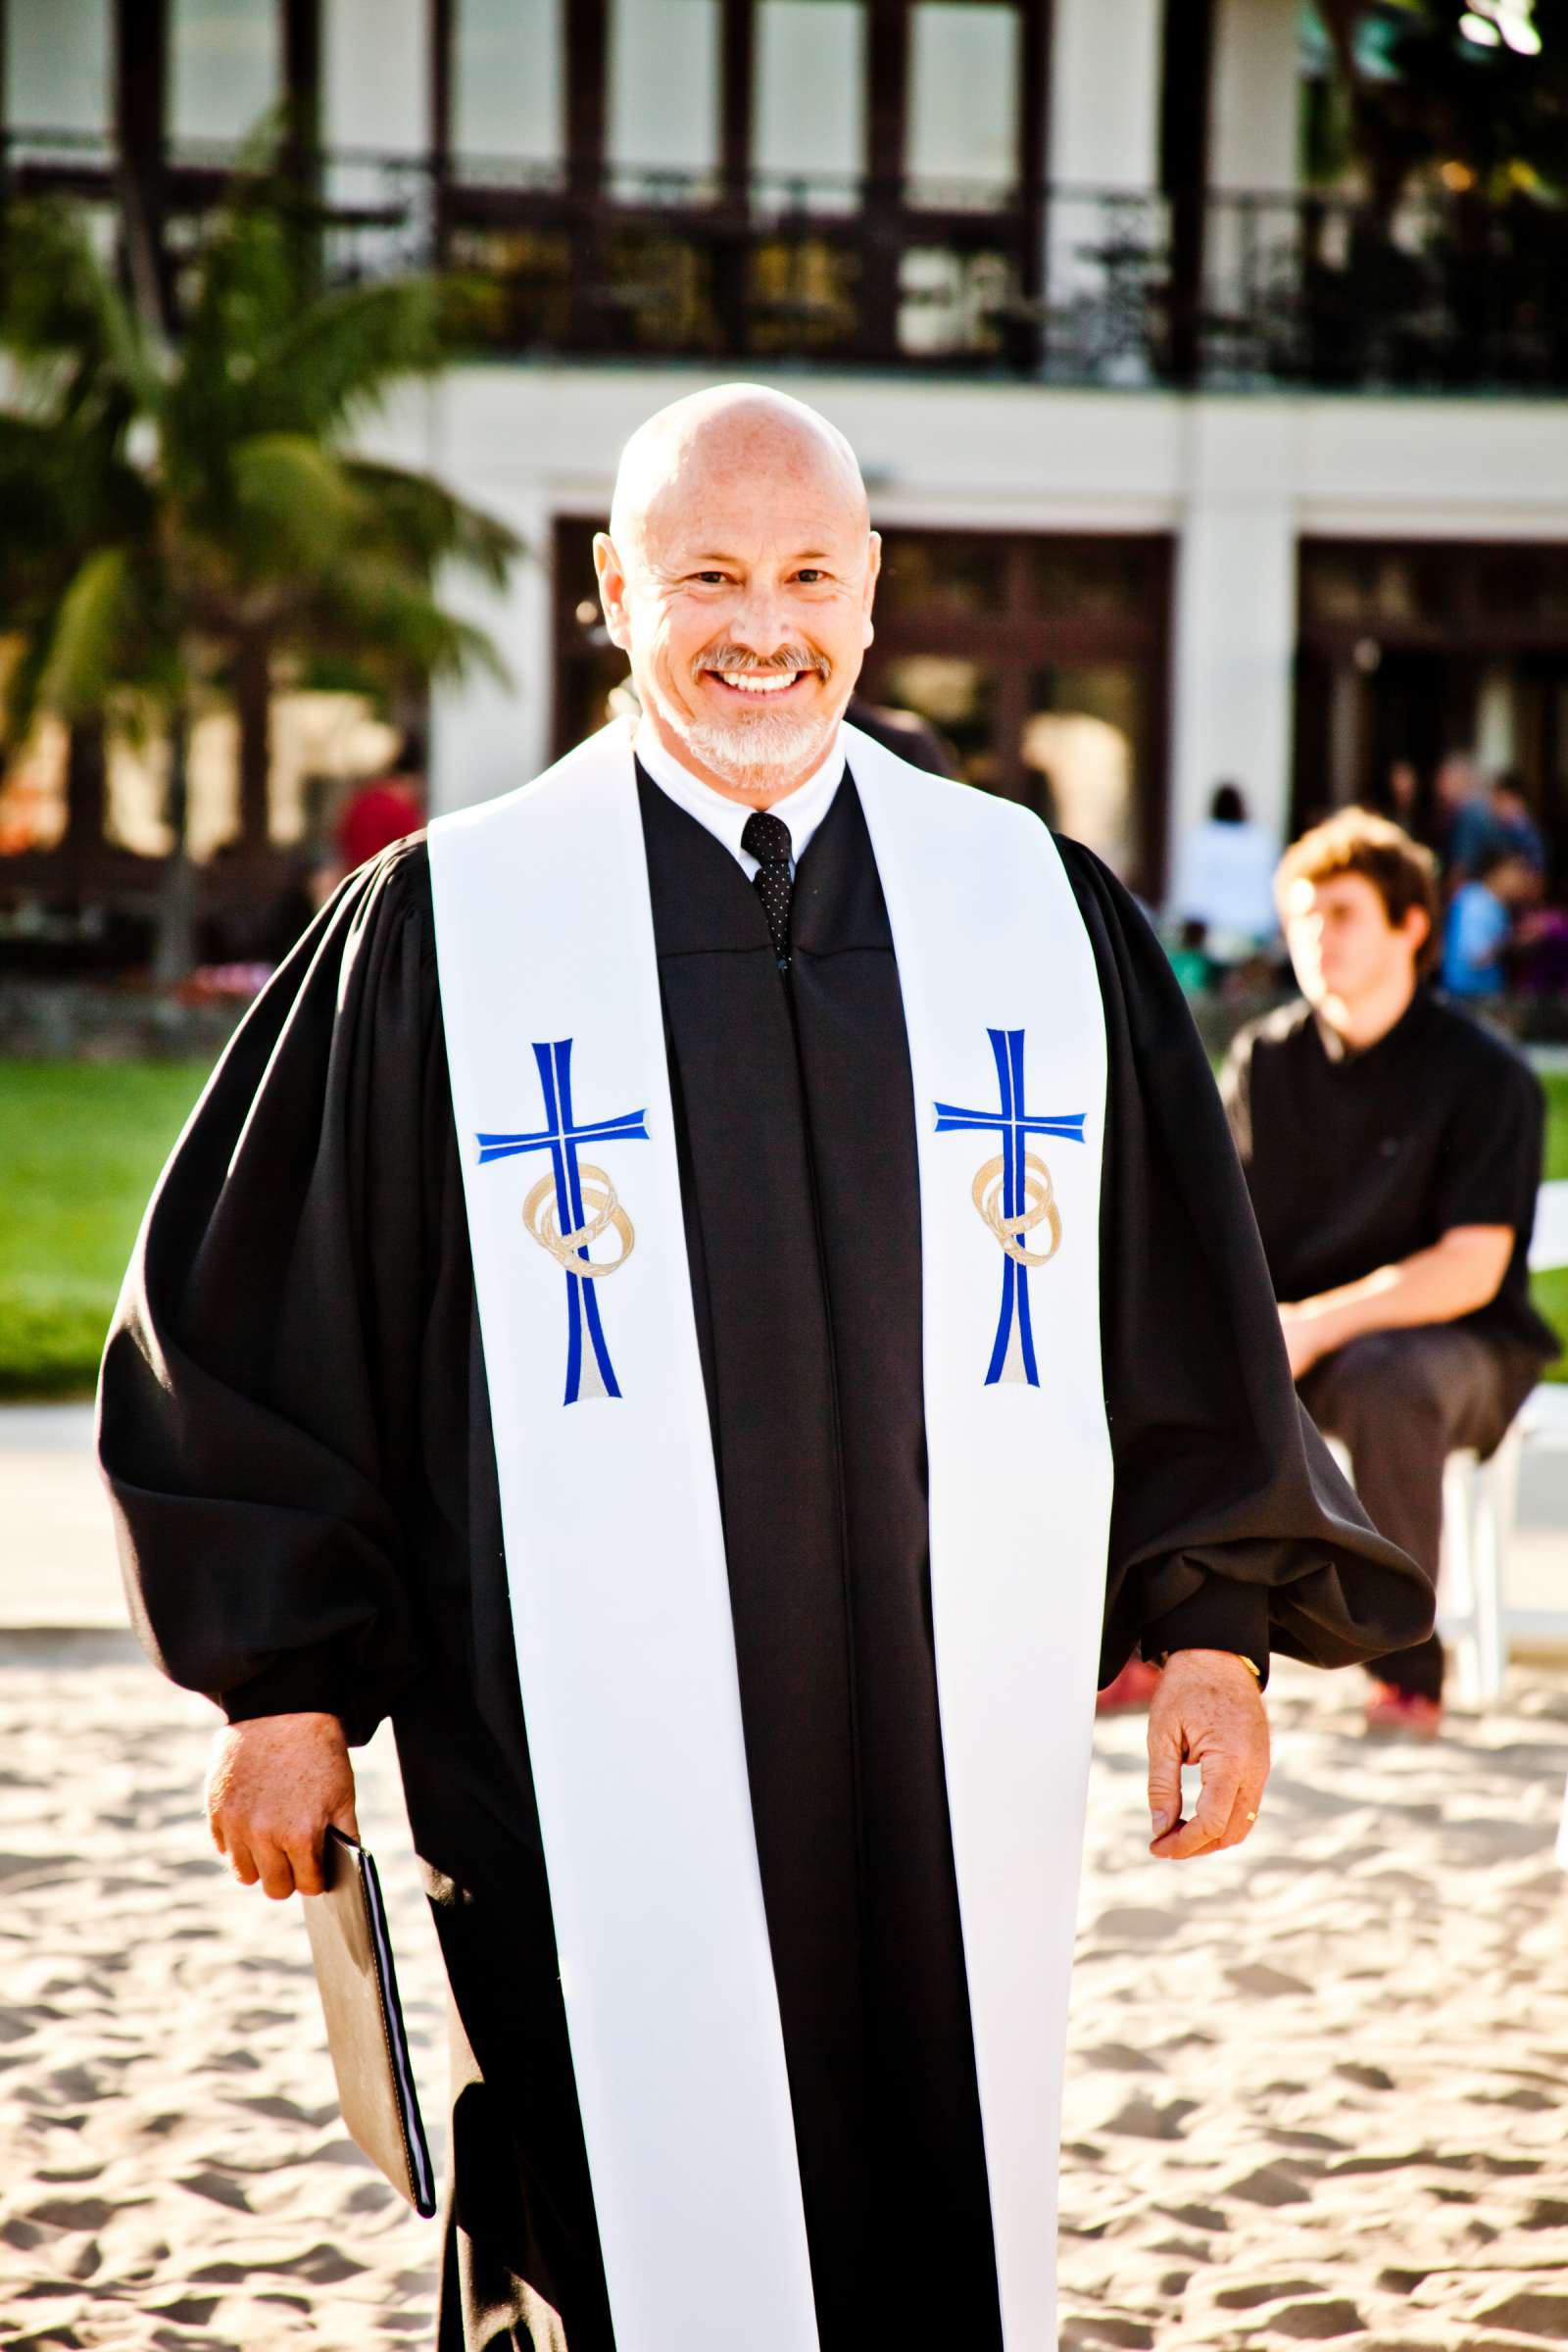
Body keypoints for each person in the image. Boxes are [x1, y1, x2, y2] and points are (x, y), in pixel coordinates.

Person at [99, 386, 1428, 2352]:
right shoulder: (454, 929)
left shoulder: (1028, 919)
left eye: (807, 574)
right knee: (599, 2225)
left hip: (940, 1754)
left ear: (870, 596)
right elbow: (252, 1312)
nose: (759, 626)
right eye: (705, 575)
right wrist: (279, 1687)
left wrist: (1213, 1632)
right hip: (557, 1751)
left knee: (930, 2194)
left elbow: (1169, 1305)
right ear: (612, 591)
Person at [1222, 808, 1557, 1738]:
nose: (1314, 935)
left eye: (1341, 912)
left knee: (1389, 1378)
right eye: (1299, 915)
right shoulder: (1266, 1061)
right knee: (1166, 1361)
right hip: (1301, 1339)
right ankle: (1169, 1644)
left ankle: (1406, 1669)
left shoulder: (1485, 1075)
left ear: (1412, 926)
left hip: (1459, 1349)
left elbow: (1471, 1267)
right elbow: (1217, 1231)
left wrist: (1313, 1325)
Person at [1169, 782, 1280, 968]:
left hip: (1211, 932)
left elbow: (1193, 891)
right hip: (1255, 932)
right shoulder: (1261, 841)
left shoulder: (1202, 839)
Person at [1443, 844, 1534, 998]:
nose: (1522, 878)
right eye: (1516, 870)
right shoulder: (1475, 900)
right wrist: (1516, 940)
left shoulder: (1496, 904)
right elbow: (1477, 956)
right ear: (1497, 870)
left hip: (1482, 996)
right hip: (1467, 998)